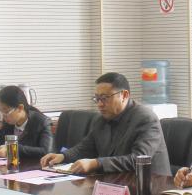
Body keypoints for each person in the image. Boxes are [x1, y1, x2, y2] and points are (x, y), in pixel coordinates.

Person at [40, 72, 169, 175]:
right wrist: (63, 156)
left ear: (124, 95)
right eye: (97, 98)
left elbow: (138, 159)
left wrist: (97, 163)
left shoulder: (145, 119)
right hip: (117, 182)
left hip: (151, 186)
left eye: (105, 98)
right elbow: (86, 148)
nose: (100, 104)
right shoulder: (102, 119)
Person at [0, 85, 52, 159]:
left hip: (33, 165)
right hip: (12, 164)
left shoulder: (42, 122)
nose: (3, 116)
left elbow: (46, 151)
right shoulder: (9, 121)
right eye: (0, 111)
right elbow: (0, 136)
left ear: (20, 108)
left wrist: (13, 149)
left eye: (6, 112)